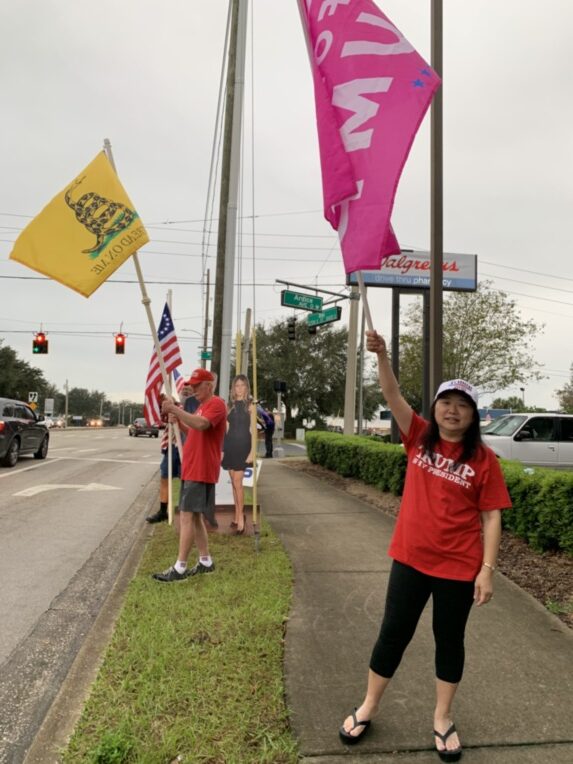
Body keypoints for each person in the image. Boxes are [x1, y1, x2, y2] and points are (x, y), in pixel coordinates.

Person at [339, 329, 512, 762]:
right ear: (435, 409)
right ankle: (369, 706)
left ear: (473, 416)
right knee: (392, 634)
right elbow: (392, 393)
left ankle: (442, 717)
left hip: (459, 567)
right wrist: (381, 356)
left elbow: (492, 516)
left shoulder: (483, 460)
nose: (453, 411)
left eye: (462, 406)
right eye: (446, 403)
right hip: (411, 560)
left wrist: (487, 570)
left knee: (448, 641)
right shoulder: (417, 436)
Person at [152, 368, 226, 582]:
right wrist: (179, 423)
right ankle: (205, 561)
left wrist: (177, 410)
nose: (192, 389)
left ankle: (180, 567)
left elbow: (202, 425)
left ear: (208, 385)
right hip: (192, 467)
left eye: (196, 385)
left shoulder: (216, 404)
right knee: (194, 517)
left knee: (185, 515)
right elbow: (194, 430)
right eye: (191, 385)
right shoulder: (203, 407)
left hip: (201, 469)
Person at [145, 390, 199, 524]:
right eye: (183, 390)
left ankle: (185, 511)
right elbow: (161, 419)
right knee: (164, 478)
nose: (186, 392)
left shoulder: (187, 408)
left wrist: (172, 406)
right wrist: (164, 404)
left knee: (186, 480)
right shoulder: (167, 412)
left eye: (188, 389)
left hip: (186, 447)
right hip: (171, 447)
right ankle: (163, 511)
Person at [221, 374, 253, 535]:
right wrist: (222, 450)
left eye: (242, 385)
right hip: (230, 447)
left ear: (247, 387)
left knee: (238, 483)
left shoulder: (251, 406)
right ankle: (236, 514)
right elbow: (225, 430)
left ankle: (241, 517)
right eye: (237, 385)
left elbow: (253, 431)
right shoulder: (229, 406)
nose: (239, 388)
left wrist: (252, 452)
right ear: (233, 388)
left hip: (244, 448)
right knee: (234, 483)